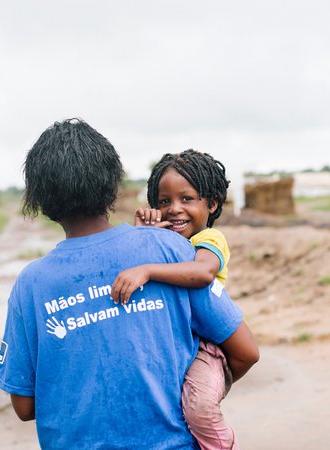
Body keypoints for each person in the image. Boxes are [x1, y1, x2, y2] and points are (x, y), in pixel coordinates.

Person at [0, 119, 259, 450]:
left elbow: (24, 406)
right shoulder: (171, 249)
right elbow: (246, 351)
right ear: (111, 185)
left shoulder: (30, 285)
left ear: (40, 199)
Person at [111, 150, 239, 449]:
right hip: (175, 339)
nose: (174, 209)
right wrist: (145, 236)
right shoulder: (169, 241)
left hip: (205, 347)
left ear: (213, 203)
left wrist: (147, 269)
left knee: (201, 411)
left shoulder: (208, 239)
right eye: (165, 201)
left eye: (187, 199)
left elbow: (202, 272)